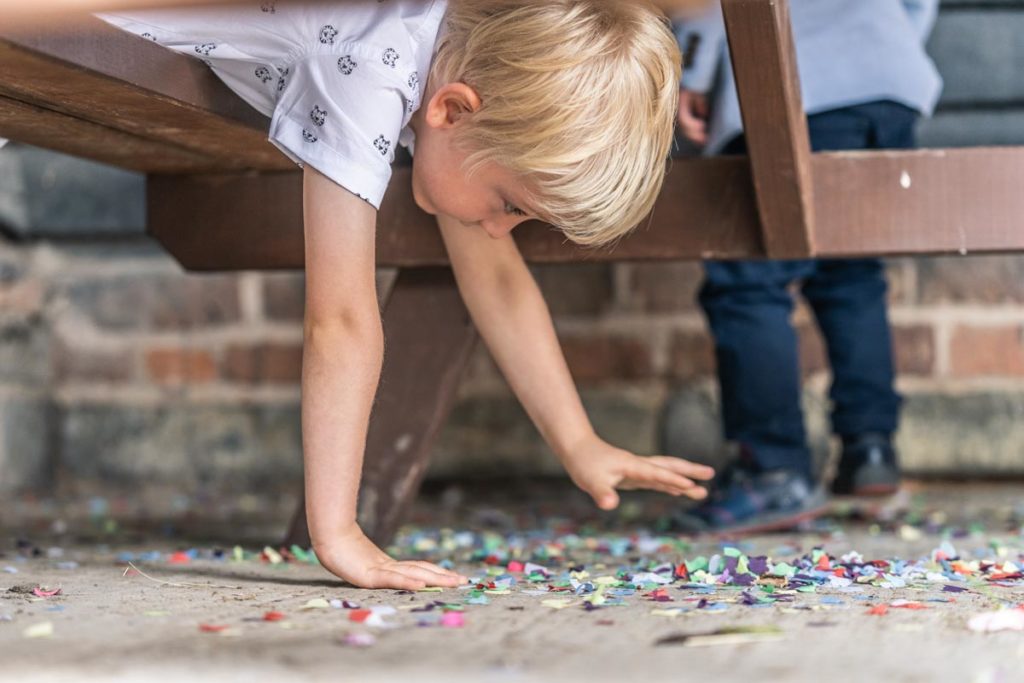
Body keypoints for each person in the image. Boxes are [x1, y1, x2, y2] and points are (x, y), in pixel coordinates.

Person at [96, 0, 715, 589]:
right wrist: (337, 534)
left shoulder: (448, 52)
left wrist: (579, 443)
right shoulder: (368, 70)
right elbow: (340, 320)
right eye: (511, 205)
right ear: (451, 111)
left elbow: (498, 280)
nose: (500, 230)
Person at [671, 0, 942, 533]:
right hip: (888, 80)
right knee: (851, 272)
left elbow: (704, 4)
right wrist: (883, 41)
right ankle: (870, 453)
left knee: (747, 278)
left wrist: (692, 70)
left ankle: (773, 470)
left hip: (793, 79)